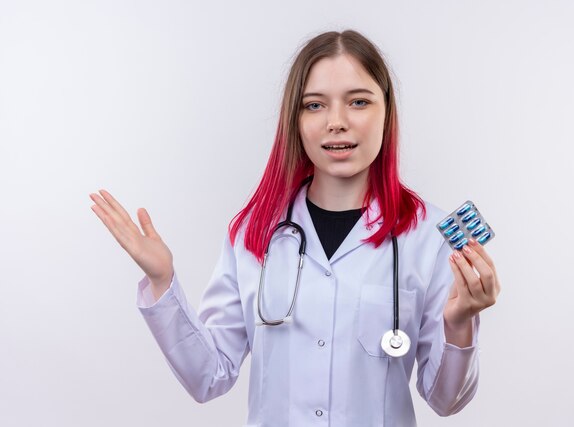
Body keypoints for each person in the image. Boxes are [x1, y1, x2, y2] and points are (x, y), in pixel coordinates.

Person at [90, 29, 501, 426]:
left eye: (358, 102)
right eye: (315, 105)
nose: (336, 122)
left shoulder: (428, 236)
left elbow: (446, 401)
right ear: (296, 119)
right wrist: (162, 282)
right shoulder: (254, 232)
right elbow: (208, 376)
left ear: (386, 111)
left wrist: (460, 319)